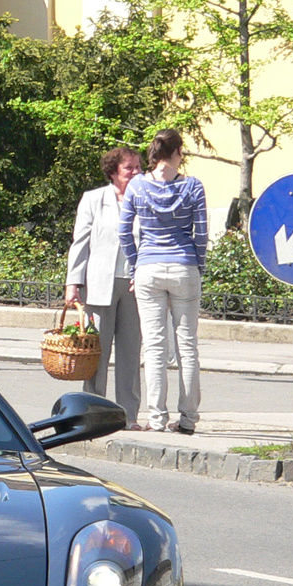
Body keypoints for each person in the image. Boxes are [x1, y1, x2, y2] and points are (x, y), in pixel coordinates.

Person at [119, 128, 207, 434]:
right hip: (184, 266)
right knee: (187, 346)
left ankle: (156, 418)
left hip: (148, 269)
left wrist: (135, 264)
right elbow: (202, 234)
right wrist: (199, 266)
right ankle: (187, 419)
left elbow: (124, 232)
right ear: (177, 153)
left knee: (154, 346)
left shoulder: (137, 187)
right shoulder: (193, 187)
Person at [64, 146, 143, 429]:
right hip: (99, 283)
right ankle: (94, 412)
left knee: (130, 353)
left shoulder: (145, 198)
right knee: (96, 352)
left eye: (138, 167)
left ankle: (129, 414)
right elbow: (80, 243)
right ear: (113, 172)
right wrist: (73, 283)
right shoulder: (94, 199)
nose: (136, 173)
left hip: (134, 284)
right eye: (129, 168)